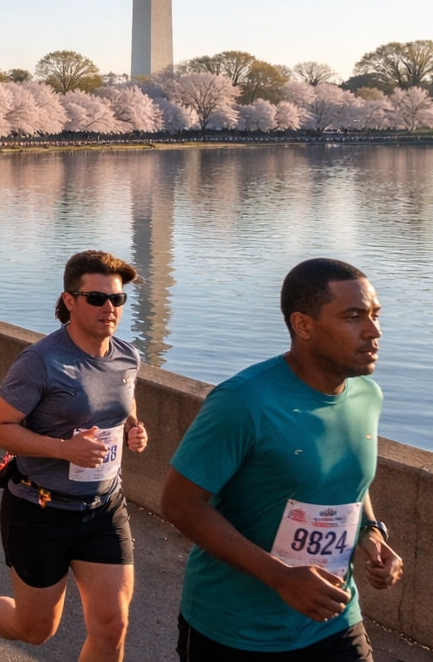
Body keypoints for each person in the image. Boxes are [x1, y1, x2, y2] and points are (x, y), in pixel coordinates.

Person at [159, 258, 403, 662]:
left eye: (375, 316)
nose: (373, 331)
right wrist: (281, 577)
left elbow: (348, 483)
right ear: (303, 325)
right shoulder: (243, 402)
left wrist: (371, 534)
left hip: (335, 618)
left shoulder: (367, 397)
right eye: (353, 317)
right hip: (236, 630)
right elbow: (179, 503)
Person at [0, 250, 149, 662]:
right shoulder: (41, 361)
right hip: (40, 508)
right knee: (37, 629)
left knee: (113, 625)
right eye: (96, 298)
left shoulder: (128, 357)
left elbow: (121, 405)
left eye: (117, 300)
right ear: (70, 300)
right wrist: (66, 450)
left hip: (104, 507)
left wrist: (133, 428)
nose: (109, 308)